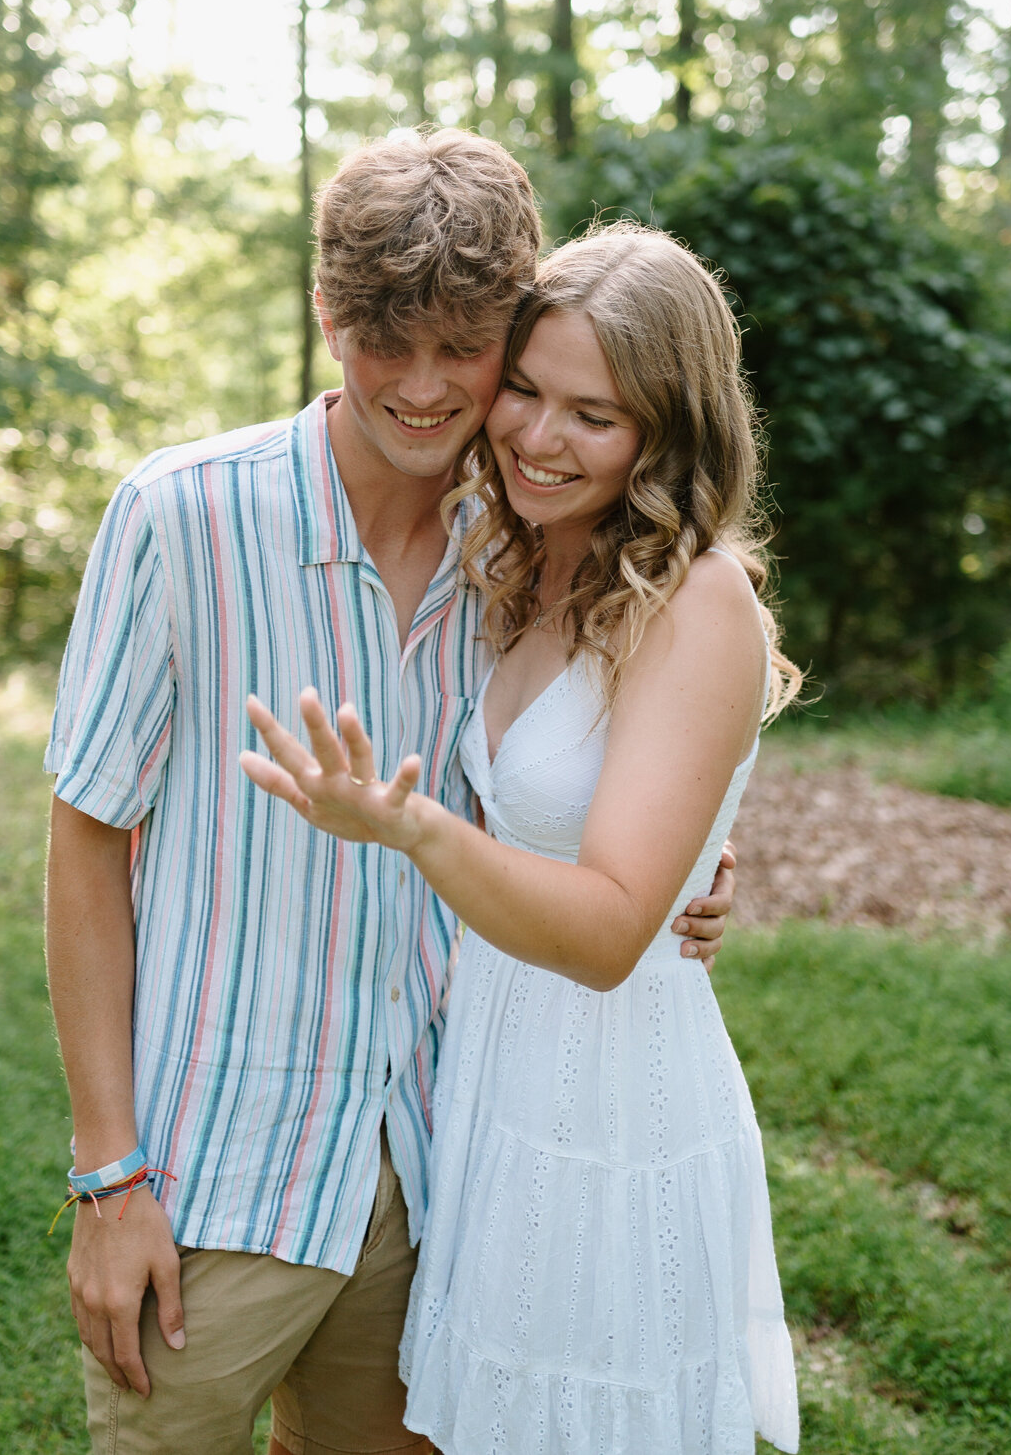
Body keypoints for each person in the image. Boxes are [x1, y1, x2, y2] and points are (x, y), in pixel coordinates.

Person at [44, 133, 737, 1455]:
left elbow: (604, 771)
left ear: (516, 337)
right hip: (211, 1183)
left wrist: (697, 876)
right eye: (382, 342)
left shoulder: (528, 547)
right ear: (326, 316)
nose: (421, 392)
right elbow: (85, 845)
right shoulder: (177, 518)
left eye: (464, 350)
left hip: (440, 1176)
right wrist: (108, 1176)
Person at [240, 224, 801, 1454]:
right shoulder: (512, 554)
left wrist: (414, 827)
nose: (540, 438)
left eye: (594, 416)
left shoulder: (698, 600)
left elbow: (606, 934)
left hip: (609, 1096)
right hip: (487, 1069)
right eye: (530, 392)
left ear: (671, 427)